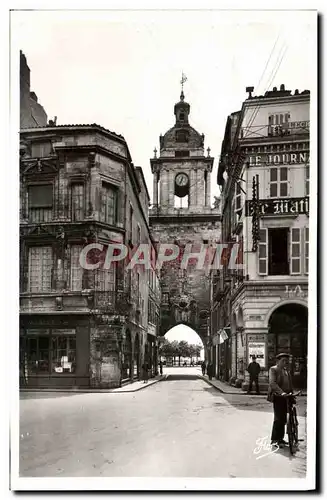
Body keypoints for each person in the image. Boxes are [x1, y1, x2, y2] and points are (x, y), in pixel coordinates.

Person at [267, 353, 293, 448]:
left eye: (287, 361)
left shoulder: (286, 371)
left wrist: (292, 393)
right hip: (278, 396)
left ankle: (280, 439)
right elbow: (272, 383)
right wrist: (281, 393)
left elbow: (289, 384)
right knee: (278, 418)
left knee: (284, 418)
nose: (285, 363)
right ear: (278, 361)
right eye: (283, 361)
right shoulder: (273, 369)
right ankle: (274, 439)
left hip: (287, 396)